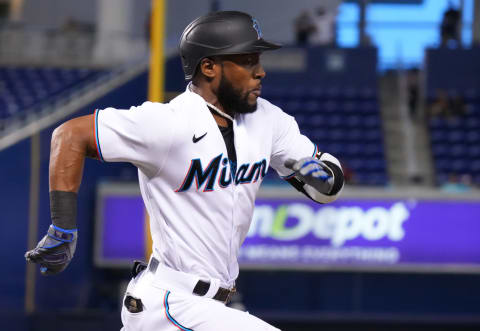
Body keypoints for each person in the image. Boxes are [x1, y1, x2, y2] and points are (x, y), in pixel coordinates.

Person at [25, 11, 344, 331]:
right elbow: (69, 135)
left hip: (213, 304)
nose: (259, 72)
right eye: (247, 60)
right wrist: (63, 225)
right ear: (208, 67)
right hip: (170, 301)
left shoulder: (268, 120)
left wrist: (325, 177)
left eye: (257, 60)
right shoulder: (167, 122)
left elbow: (326, 186)